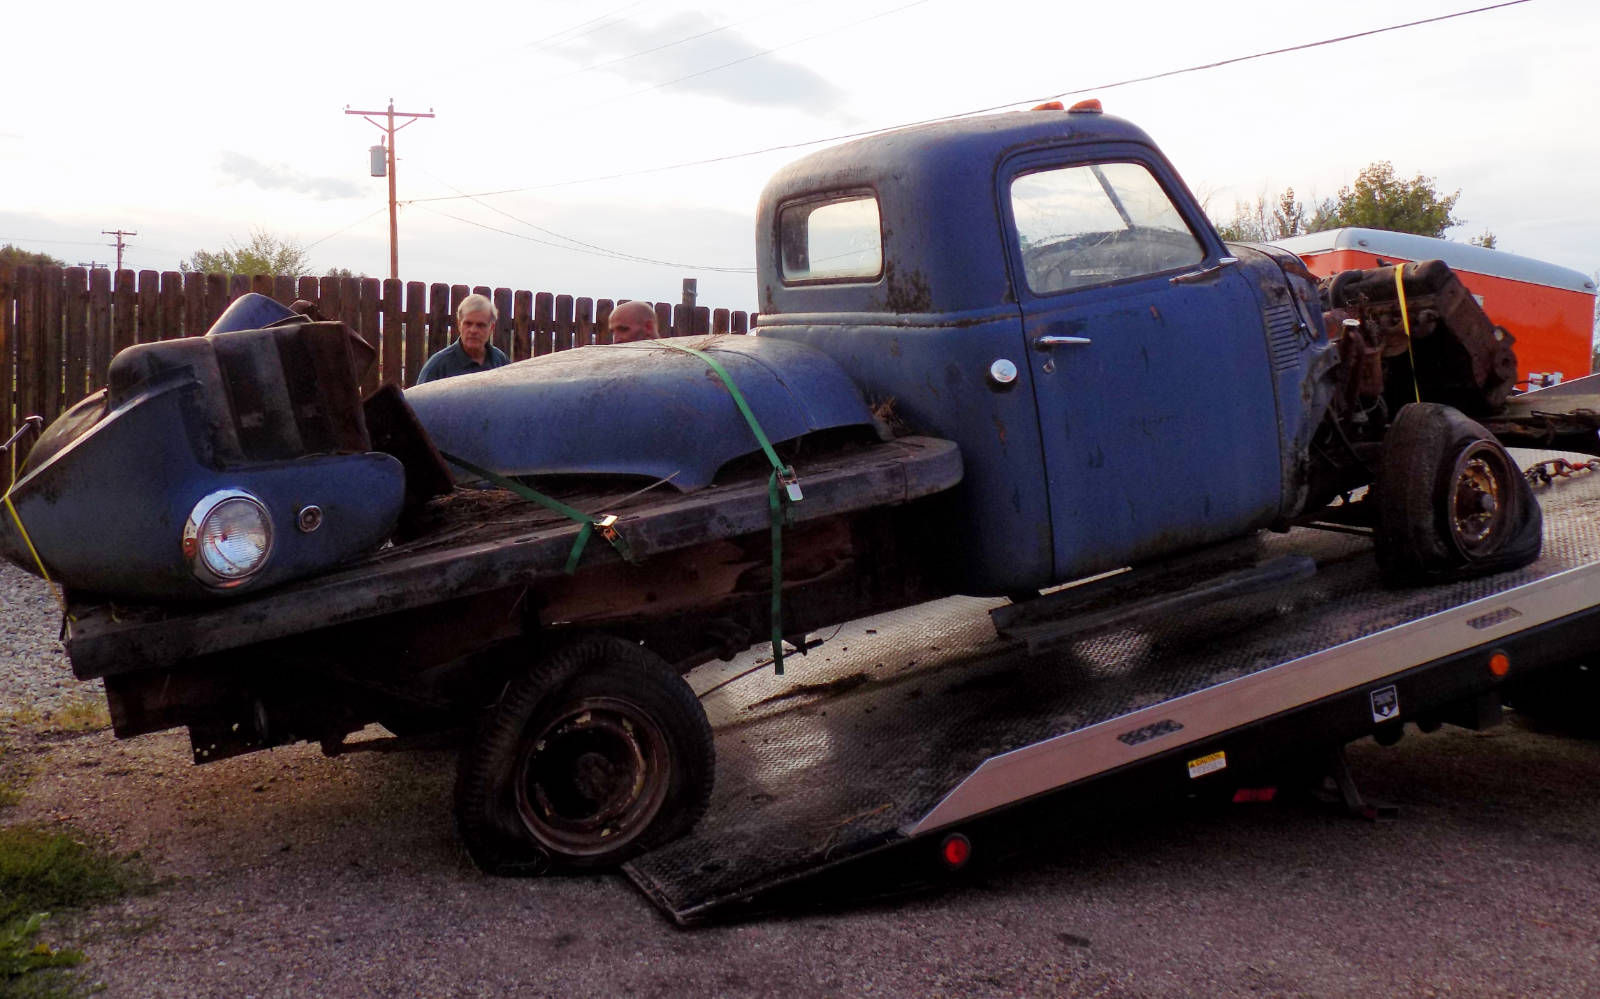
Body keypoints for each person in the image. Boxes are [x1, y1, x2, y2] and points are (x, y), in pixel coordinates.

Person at [415, 294, 510, 384]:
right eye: (468, 323)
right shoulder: (437, 367)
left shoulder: (500, 361)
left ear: (491, 328)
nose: (473, 330)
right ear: (459, 324)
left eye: (481, 325)